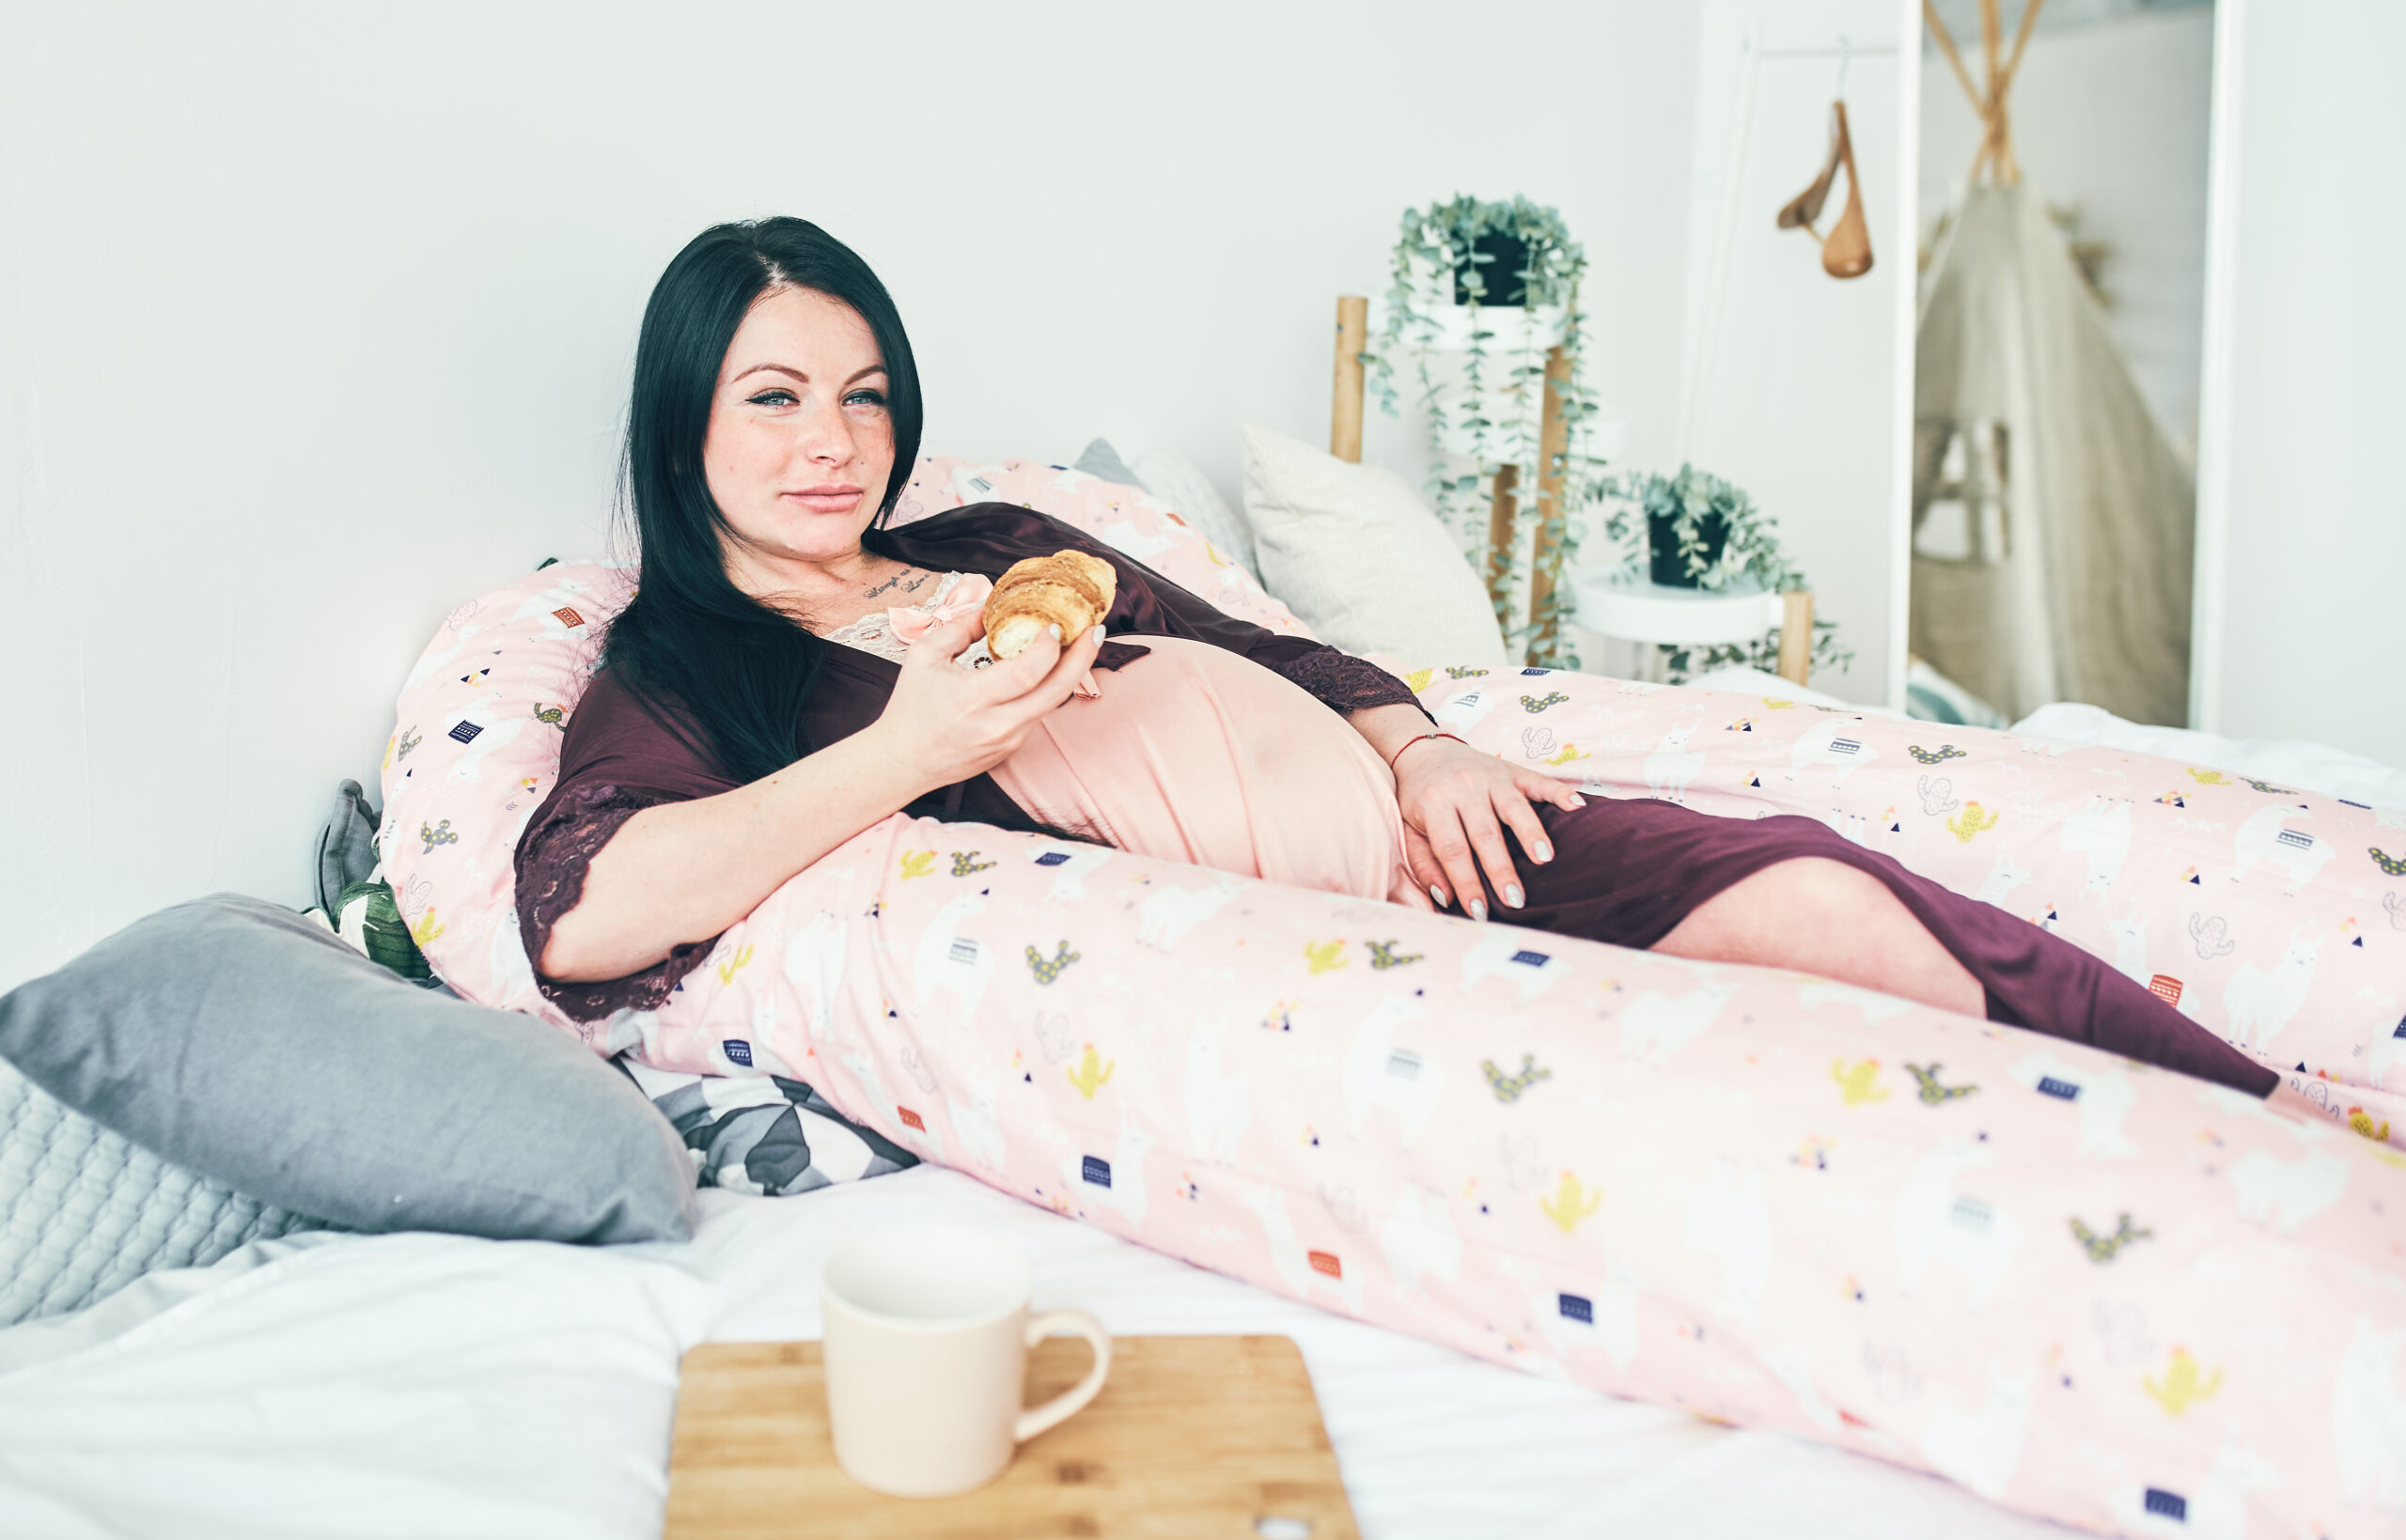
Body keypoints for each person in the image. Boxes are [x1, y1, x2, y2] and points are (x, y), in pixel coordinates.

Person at [515, 217, 2271, 1096]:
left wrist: (1423, 751)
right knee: (1751, 1029)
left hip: (1436, 840)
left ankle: (2264, 1114)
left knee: (1818, 888)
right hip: (1293, 957)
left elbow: (1266, 635)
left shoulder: (983, 546)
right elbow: (584, 908)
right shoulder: (686, 667)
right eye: (775, 398)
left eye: (865, 394)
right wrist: (918, 739)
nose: (834, 440)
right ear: (685, 430)